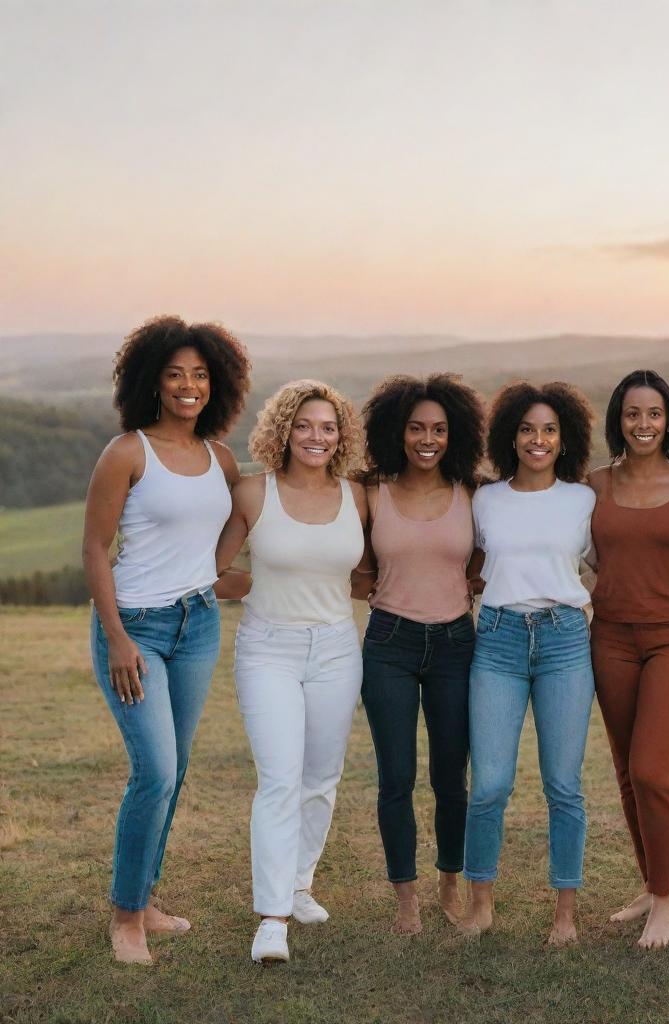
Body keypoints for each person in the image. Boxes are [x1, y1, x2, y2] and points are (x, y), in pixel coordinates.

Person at [82, 315, 250, 964]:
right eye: (176, 374)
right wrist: (118, 638)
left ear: (218, 384)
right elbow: (96, 548)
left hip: (196, 625)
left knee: (175, 771)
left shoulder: (222, 460)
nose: (188, 386)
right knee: (153, 769)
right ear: (152, 380)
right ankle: (126, 919)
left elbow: (225, 541)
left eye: (200, 375)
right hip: (135, 629)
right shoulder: (127, 452)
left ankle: (145, 898)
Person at [215, 380, 368, 964]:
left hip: (335, 648)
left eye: (328, 427)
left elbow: (367, 573)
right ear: (283, 430)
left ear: (341, 435)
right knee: (280, 779)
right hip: (268, 649)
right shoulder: (254, 494)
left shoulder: (356, 497)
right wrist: (265, 586)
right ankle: (271, 917)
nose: (316, 436)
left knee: (321, 778)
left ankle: (301, 884)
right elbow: (215, 569)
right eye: (304, 425)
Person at [459, 381, 596, 945]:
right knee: (489, 783)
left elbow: (609, 565)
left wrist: (588, 606)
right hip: (498, 639)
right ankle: (481, 904)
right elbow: (468, 565)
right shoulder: (485, 499)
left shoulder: (584, 499)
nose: (537, 439)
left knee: (563, 784)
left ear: (565, 439)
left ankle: (564, 914)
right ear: (508, 436)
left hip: (566, 641)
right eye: (526, 429)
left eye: (548, 430)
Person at [353, 373, 485, 935]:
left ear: (455, 434)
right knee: (396, 776)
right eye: (416, 428)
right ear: (396, 431)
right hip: (389, 644)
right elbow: (358, 569)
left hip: (457, 644)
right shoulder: (371, 491)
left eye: (438, 429)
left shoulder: (473, 493)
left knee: (452, 778)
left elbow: (481, 563)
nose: (427, 439)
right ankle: (406, 897)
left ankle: (449, 883)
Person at [587, 369, 669, 950]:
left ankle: (665, 902)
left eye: (654, 414)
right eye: (633, 414)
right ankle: (648, 883)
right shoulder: (595, 484)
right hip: (609, 639)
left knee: (654, 769)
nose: (643, 425)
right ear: (619, 420)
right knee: (628, 774)